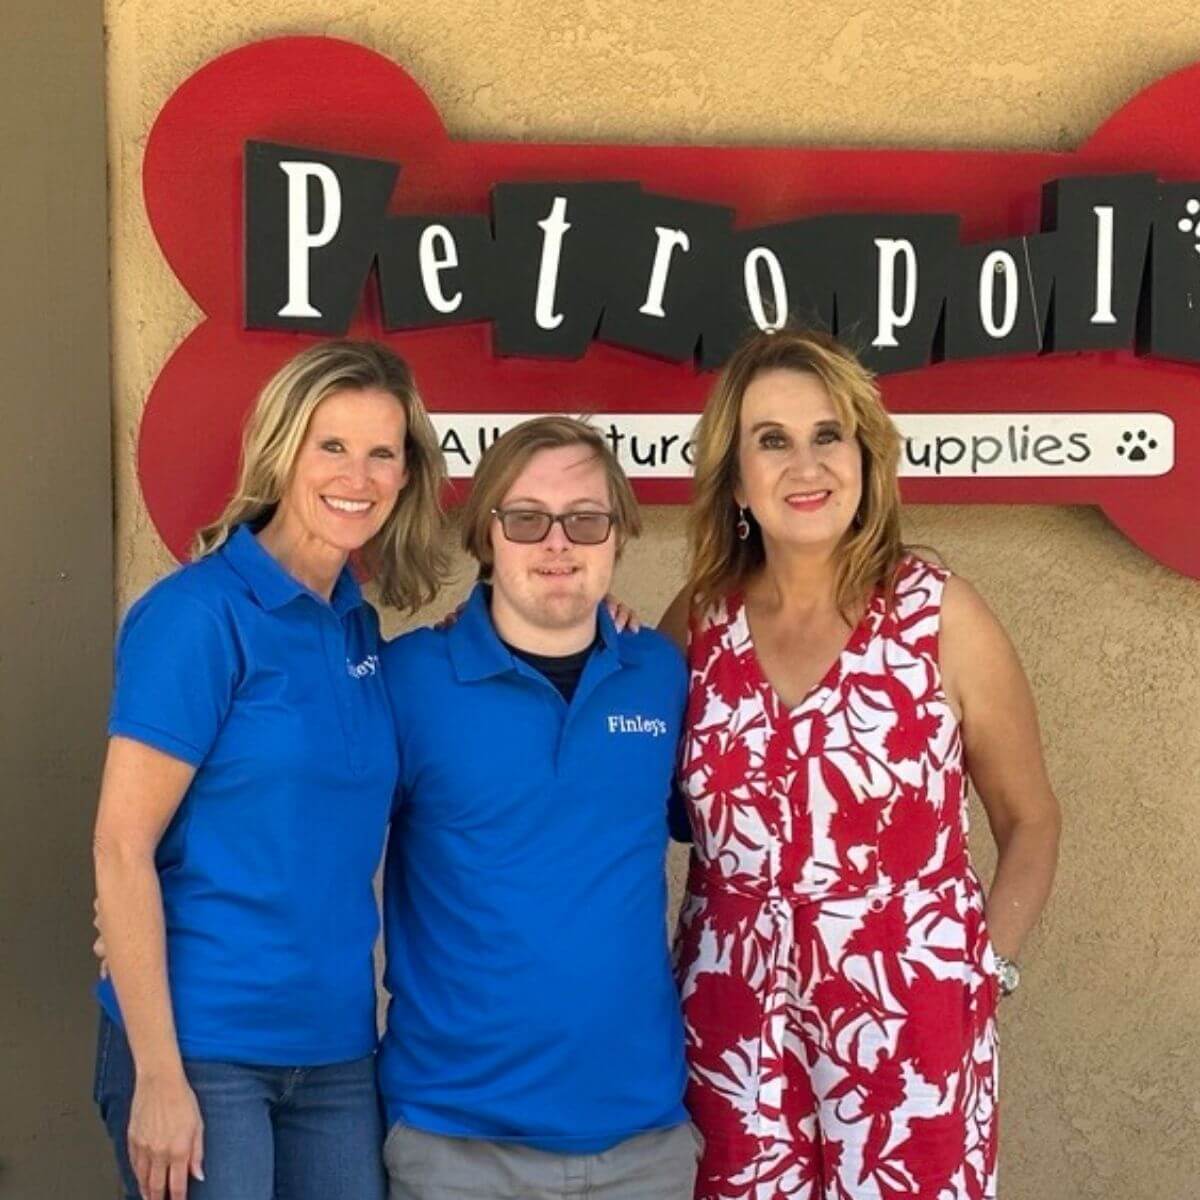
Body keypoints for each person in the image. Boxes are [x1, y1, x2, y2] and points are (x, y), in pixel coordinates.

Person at [659, 329, 1061, 1200]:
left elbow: (1029, 817)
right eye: (772, 440)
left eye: (827, 434)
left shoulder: (939, 617)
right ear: (735, 478)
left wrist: (982, 973)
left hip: (910, 1021)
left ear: (866, 458)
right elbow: (621, 789)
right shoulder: (697, 625)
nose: (805, 465)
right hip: (734, 1021)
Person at [91, 341, 448, 1200]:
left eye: (381, 453)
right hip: (203, 1050)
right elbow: (119, 847)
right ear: (282, 452)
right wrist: (159, 1076)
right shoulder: (199, 616)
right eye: (331, 446)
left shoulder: (358, 629)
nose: (355, 475)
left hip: (334, 1056)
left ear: (406, 476)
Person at [378, 416, 702, 1200]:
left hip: (642, 1142)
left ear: (618, 535)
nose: (557, 542)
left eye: (585, 519)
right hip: (457, 1144)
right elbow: (307, 839)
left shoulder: (662, 675)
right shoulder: (408, 679)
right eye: (526, 519)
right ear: (486, 535)